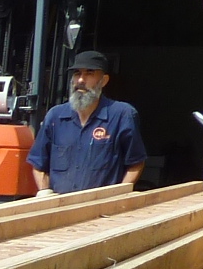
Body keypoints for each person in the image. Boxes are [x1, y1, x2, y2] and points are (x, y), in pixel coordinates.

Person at [28, 49, 147, 195]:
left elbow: (135, 163)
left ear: (104, 81)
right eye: (77, 73)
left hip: (103, 210)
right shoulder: (55, 116)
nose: (80, 80)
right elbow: (38, 163)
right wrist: (44, 192)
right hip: (60, 208)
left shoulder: (122, 115)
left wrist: (118, 196)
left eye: (89, 73)